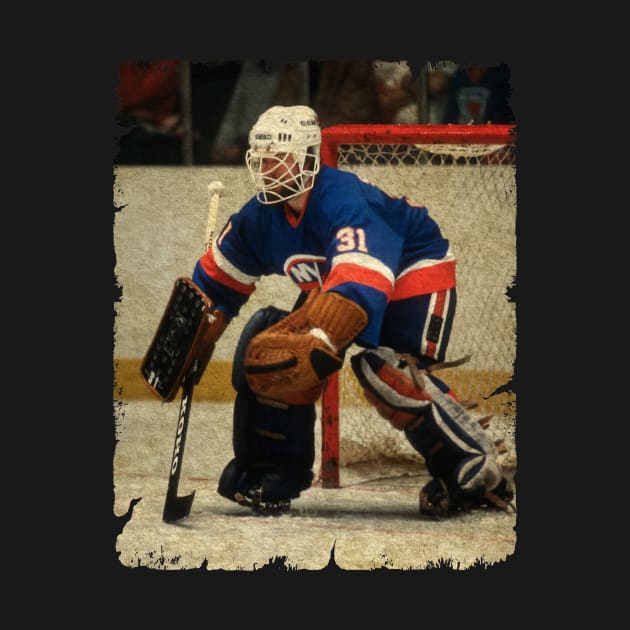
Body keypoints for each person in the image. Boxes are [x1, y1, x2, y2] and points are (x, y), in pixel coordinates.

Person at [189, 105, 515, 518]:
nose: (270, 169)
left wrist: (322, 335)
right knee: (273, 349)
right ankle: (273, 472)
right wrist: (191, 332)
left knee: (388, 372)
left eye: (280, 159)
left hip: (415, 268)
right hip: (344, 282)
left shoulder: (343, 198)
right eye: (263, 159)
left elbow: (362, 282)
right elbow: (214, 283)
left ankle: (474, 464)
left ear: (308, 157)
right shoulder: (259, 216)